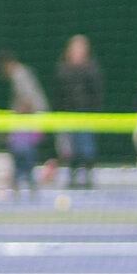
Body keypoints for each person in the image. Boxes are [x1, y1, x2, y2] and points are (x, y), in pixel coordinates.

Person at [0, 50, 49, 198]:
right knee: (21, 152)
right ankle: (21, 185)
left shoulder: (20, 75)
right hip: (29, 120)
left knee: (23, 152)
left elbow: (27, 99)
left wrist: (17, 117)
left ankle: (26, 185)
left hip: (30, 120)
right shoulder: (20, 74)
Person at [52, 34, 104, 188]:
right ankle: (73, 174)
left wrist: (95, 113)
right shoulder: (62, 69)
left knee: (86, 147)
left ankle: (87, 175)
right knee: (70, 150)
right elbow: (59, 95)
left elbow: (97, 93)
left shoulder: (92, 69)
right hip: (68, 116)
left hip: (86, 115)